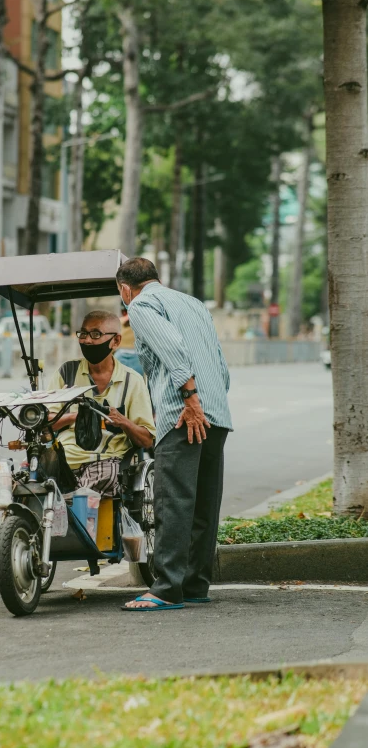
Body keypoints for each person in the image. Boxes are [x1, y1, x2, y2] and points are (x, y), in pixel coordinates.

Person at [116, 258, 232, 612]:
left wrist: (189, 397)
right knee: (203, 503)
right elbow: (220, 364)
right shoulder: (194, 304)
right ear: (156, 277)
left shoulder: (141, 304)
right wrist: (208, 400)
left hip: (184, 413)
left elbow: (171, 349)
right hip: (216, 412)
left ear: (125, 288)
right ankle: (195, 584)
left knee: (174, 500)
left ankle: (166, 588)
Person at [47, 310, 155, 497]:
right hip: (63, 460)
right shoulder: (67, 373)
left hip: (107, 461)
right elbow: (46, 422)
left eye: (96, 334)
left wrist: (123, 422)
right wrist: (75, 416)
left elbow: (146, 439)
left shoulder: (133, 381)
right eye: (83, 334)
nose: (87, 340)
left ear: (116, 341)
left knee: (84, 496)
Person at [114, 305, 144, 377]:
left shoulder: (118, 321)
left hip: (119, 355)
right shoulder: (141, 321)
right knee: (137, 382)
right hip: (137, 357)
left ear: (123, 311)